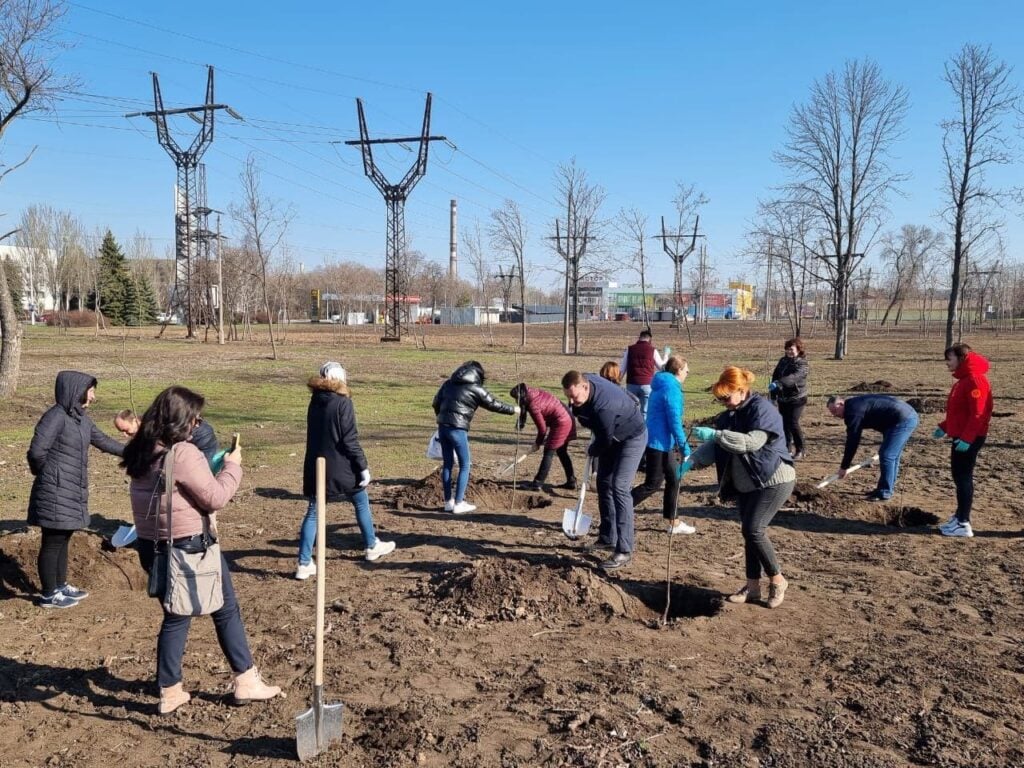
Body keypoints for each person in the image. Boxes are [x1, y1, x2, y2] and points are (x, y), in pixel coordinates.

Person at [123, 386, 281, 715]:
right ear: (180, 421)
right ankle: (246, 680)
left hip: (155, 548)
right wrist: (233, 466)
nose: (197, 427)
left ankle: (170, 690)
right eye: (194, 421)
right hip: (190, 549)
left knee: (176, 616)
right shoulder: (182, 453)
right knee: (224, 608)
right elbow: (214, 497)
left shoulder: (143, 451)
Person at [685, 367, 795, 608]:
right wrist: (691, 461)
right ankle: (752, 587)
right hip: (748, 482)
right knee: (749, 533)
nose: (723, 402)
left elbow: (751, 443)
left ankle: (777, 580)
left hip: (773, 479)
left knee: (754, 529)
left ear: (741, 390)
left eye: (726, 397)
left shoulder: (762, 409)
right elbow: (716, 445)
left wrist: (716, 434)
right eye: (720, 399)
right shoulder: (730, 415)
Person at [27, 371, 125, 609]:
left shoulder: (80, 419)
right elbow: (36, 452)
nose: (93, 396)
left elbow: (103, 441)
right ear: (77, 390)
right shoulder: (56, 417)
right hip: (55, 490)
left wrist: (134, 453)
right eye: (91, 390)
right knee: (52, 541)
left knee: (63, 538)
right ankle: (49, 595)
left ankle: (59, 585)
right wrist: (49, 474)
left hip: (70, 490)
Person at [296, 362, 395, 579]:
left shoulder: (315, 400)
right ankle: (371, 545)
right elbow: (349, 440)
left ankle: (303, 562)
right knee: (360, 499)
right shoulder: (343, 403)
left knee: (314, 511)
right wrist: (363, 466)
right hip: (341, 467)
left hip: (316, 465)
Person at [562, 370, 647, 570]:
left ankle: (624, 550)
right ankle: (608, 536)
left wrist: (591, 448)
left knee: (619, 487)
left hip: (631, 438)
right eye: (568, 398)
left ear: (585, 387)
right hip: (611, 434)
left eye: (574, 398)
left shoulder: (604, 406)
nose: (572, 402)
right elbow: (602, 433)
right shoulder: (585, 380)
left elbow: (604, 439)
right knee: (603, 483)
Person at [433, 361, 520, 513]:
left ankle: (448, 502)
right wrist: (513, 409)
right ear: (478, 375)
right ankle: (459, 503)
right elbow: (494, 404)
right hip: (457, 430)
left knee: (447, 464)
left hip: (443, 428)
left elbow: (435, 403)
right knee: (465, 464)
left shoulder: (448, 384)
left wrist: (442, 419)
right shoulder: (476, 388)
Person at [631, 355, 696, 535]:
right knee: (652, 483)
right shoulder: (670, 389)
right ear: (678, 370)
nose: (688, 371)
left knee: (675, 477)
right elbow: (674, 421)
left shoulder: (664, 384)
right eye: (685, 368)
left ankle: (673, 521)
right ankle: (619, 508)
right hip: (657, 443)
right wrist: (684, 447)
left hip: (662, 442)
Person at [934, 343, 993, 538]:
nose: (947, 364)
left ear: (962, 359)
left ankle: (963, 523)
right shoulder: (963, 380)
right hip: (960, 435)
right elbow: (960, 412)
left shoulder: (975, 381)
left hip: (970, 437)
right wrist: (944, 427)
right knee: (958, 476)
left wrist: (967, 438)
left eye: (949, 359)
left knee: (963, 477)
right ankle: (959, 515)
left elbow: (979, 414)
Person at [826, 394, 920, 501]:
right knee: (891, 456)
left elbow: (853, 440)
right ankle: (885, 489)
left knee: (887, 455)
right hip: (894, 421)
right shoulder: (854, 406)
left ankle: (885, 492)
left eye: (834, 411)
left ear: (841, 403)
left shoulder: (852, 411)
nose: (835, 415)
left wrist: (844, 467)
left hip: (903, 419)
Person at [510, 383, 577, 491]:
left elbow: (542, 429)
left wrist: (537, 443)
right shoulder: (533, 393)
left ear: (521, 397)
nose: (515, 402)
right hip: (566, 417)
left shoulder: (533, 405)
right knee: (561, 451)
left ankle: (537, 483)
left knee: (548, 451)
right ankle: (571, 481)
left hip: (562, 421)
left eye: (516, 399)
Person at [769, 337, 809, 460]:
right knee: (783, 423)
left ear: (798, 349)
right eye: (787, 349)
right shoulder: (783, 361)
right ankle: (786, 449)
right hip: (783, 398)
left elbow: (794, 377)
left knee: (793, 422)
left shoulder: (802, 363)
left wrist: (781, 383)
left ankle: (801, 449)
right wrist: (774, 393)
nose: (789, 352)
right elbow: (775, 375)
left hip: (797, 398)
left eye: (791, 349)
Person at [619, 329, 667, 417]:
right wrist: (666, 356)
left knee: (631, 411)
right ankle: (643, 430)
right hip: (647, 384)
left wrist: (617, 382)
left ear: (639, 338)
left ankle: (632, 429)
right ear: (650, 339)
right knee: (645, 412)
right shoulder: (653, 350)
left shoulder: (629, 349)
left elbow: (622, 368)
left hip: (631, 383)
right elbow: (661, 367)